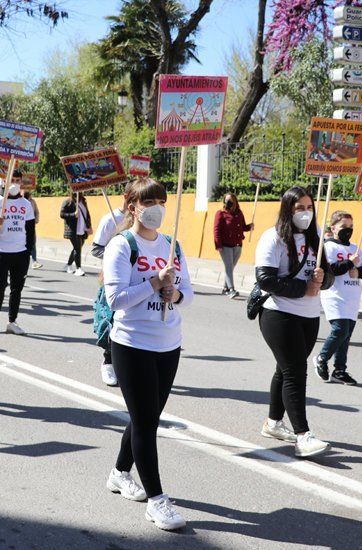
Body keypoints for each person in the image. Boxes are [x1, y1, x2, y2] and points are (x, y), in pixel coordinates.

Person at [103, 178, 194, 531]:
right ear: (133, 207)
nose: (156, 206)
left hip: (168, 343)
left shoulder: (173, 245)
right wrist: (154, 283)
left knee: (147, 416)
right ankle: (157, 501)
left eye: (160, 200)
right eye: (148, 200)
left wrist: (175, 295)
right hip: (132, 344)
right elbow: (116, 301)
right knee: (145, 422)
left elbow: (189, 293)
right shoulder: (122, 246)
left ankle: (119, 472)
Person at [254, 185, 335, 458]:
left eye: (309, 207)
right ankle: (303, 435)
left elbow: (329, 275)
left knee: (285, 369)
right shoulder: (273, 237)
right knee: (295, 371)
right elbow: (265, 279)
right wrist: (303, 289)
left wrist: (324, 280)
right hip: (279, 313)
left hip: (310, 316)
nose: (305, 213)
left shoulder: (317, 238)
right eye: (299, 208)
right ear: (288, 209)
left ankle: (274, 422)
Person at [314, 211, 362, 385]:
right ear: (333, 228)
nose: (348, 230)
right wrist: (349, 264)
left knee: (346, 336)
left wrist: (358, 271)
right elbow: (332, 269)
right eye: (344, 226)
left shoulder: (355, 248)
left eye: (351, 227)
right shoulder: (328, 247)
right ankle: (322, 359)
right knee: (340, 330)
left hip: (352, 296)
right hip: (335, 295)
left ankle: (340, 370)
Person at [0, 172, 36, 335]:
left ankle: (12, 321)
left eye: (18, 181)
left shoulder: (26, 204)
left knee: (16, 289)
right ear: (4, 182)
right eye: (12, 180)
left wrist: (28, 251)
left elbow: (30, 229)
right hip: (0, 251)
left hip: (20, 253)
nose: (15, 183)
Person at [91, 201, 126, 387]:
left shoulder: (145, 221)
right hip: (113, 279)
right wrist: (118, 254)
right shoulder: (110, 219)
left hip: (137, 280)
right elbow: (96, 248)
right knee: (111, 321)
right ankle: (108, 361)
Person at [213, 192, 252, 298]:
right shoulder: (220, 213)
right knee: (229, 267)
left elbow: (243, 227)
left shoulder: (239, 213)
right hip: (225, 246)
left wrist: (250, 227)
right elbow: (216, 230)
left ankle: (225, 288)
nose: (228, 202)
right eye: (226, 200)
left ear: (235, 201)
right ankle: (231, 290)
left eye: (230, 200)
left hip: (238, 245)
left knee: (230, 267)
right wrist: (218, 244)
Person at [60, 192, 92, 276]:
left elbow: (87, 214)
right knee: (78, 249)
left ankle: (68, 265)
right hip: (73, 229)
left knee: (76, 248)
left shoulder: (83, 201)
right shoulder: (68, 202)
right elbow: (62, 214)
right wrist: (73, 215)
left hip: (83, 229)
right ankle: (78, 268)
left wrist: (89, 226)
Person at [25, 190, 43, 269]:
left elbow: (37, 212)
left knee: (33, 242)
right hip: (22, 226)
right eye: (30, 193)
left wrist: (36, 220)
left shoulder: (32, 202)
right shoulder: (21, 201)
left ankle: (34, 261)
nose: (31, 194)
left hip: (31, 225)